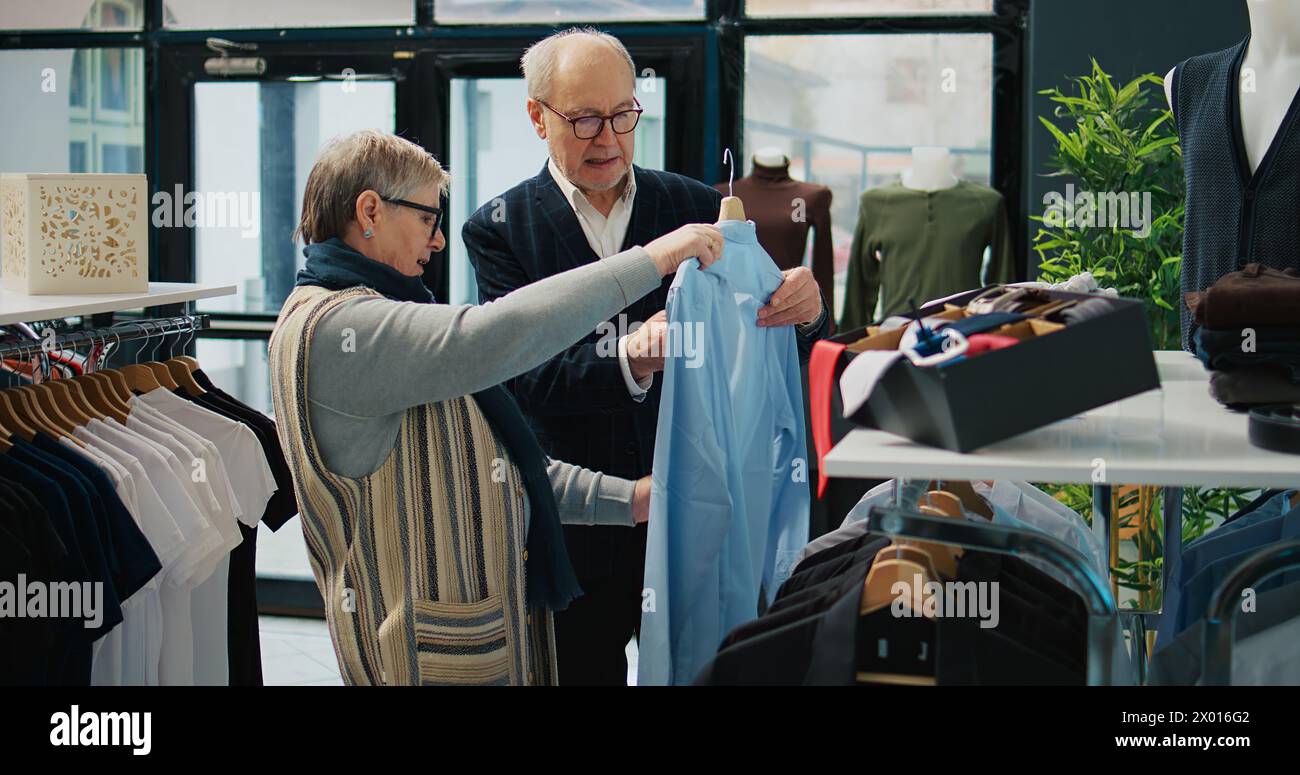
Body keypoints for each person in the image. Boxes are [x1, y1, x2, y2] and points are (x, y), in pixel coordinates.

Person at [267, 129, 724, 685]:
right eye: (428, 219)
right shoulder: (340, 328)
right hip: (425, 658)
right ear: (369, 210)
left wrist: (632, 500)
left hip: (459, 644)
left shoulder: (378, 318)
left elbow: (497, 471)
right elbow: (492, 336)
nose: (436, 243)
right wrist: (651, 261)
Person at [464, 27, 830, 685]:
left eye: (623, 114)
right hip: (579, 521)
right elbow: (519, 374)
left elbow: (758, 330)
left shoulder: (693, 206)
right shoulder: (499, 227)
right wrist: (629, 360)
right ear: (536, 116)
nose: (607, 138)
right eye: (582, 120)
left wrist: (806, 310)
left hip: (696, 505)